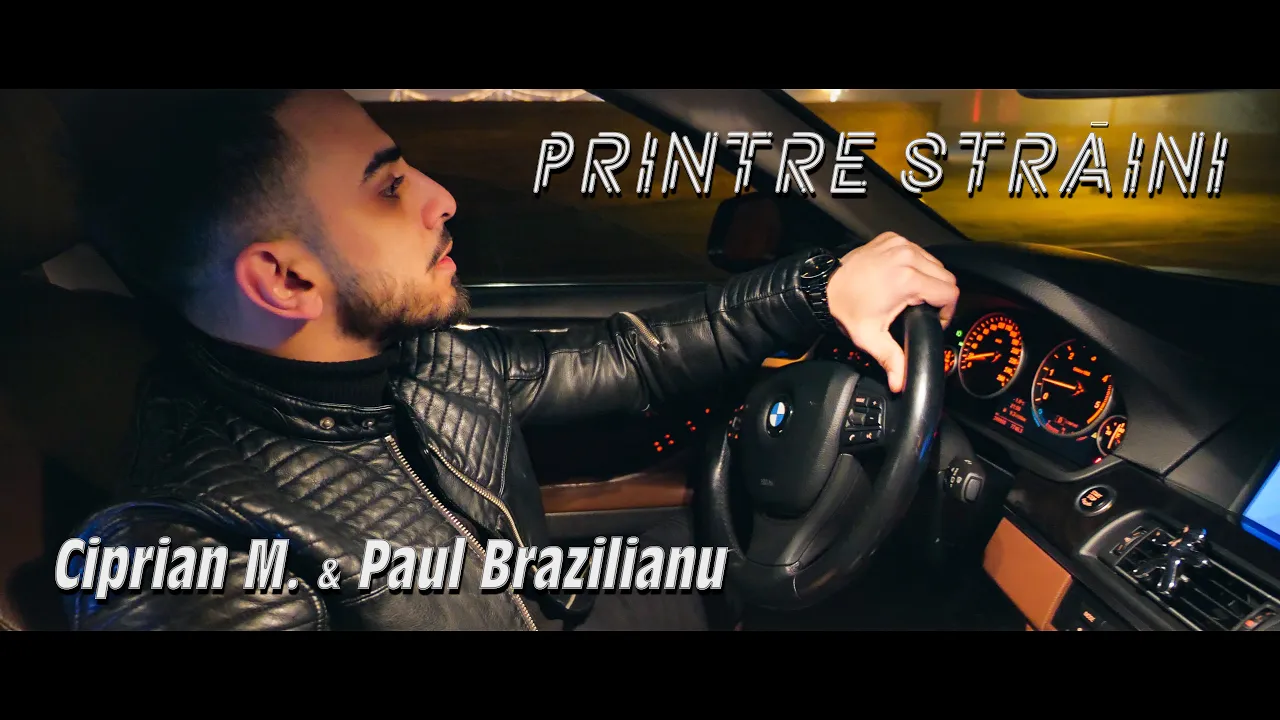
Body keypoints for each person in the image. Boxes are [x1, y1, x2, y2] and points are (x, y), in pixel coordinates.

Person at [57, 89, 959, 631]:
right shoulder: (191, 562)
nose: (442, 198)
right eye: (389, 187)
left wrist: (820, 286)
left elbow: (630, 358)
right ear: (286, 278)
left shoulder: (417, 359)